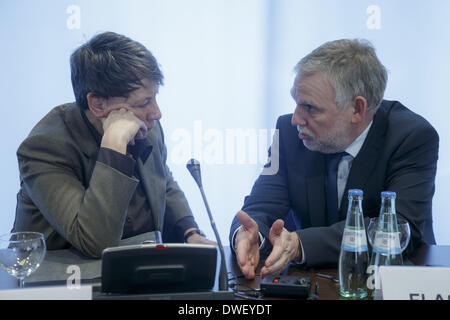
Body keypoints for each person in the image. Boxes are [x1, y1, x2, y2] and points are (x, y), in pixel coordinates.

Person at [229, 39, 439, 280]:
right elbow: (261, 205)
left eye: (310, 107)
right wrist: (247, 235)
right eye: (296, 102)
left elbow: (397, 230)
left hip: (389, 280)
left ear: (357, 110)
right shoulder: (288, 133)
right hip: (311, 282)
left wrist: (300, 244)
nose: (296, 119)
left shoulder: (411, 137)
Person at [13, 31, 214, 258]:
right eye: (144, 102)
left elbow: (163, 181)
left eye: (155, 97)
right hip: (64, 281)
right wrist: (114, 144)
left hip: (135, 267)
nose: (157, 113)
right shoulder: (44, 148)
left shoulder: (147, 125)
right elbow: (95, 242)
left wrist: (190, 232)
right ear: (98, 104)